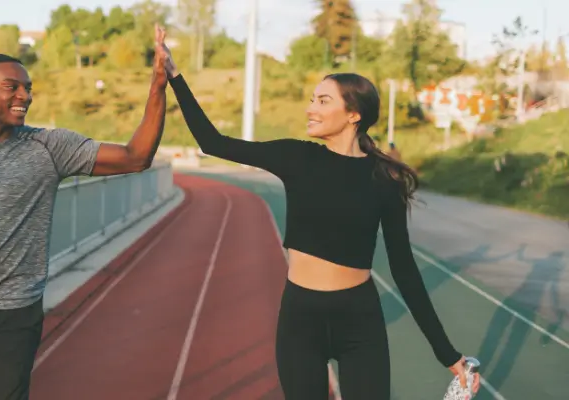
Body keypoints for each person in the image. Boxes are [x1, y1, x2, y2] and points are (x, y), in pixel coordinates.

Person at [162, 50, 481, 397]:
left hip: (360, 320)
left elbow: (404, 270)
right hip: (301, 318)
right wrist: (175, 77)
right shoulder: (296, 156)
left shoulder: (383, 179)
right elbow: (212, 142)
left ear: (353, 114)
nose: (310, 108)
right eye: (312, 99)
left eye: (323, 101)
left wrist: (447, 354)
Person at [0, 25, 169, 399]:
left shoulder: (49, 147)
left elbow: (135, 157)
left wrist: (157, 88)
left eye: (28, 88)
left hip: (14, 316)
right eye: (13, 87)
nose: (25, 95)